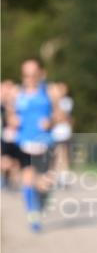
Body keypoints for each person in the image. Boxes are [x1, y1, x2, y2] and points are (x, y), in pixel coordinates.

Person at [14, 59, 54, 232]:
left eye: (33, 74)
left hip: (45, 143)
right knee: (28, 179)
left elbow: (63, 115)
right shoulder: (17, 93)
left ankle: (40, 205)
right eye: (26, 74)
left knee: (45, 183)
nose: (29, 78)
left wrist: (51, 121)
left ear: (40, 73)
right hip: (24, 143)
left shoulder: (49, 91)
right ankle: (33, 215)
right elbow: (9, 114)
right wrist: (12, 120)